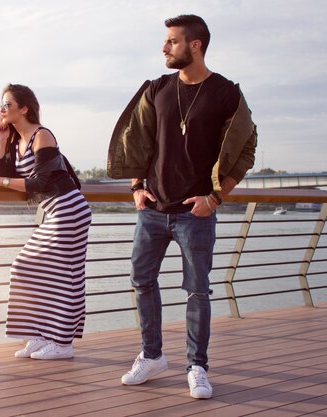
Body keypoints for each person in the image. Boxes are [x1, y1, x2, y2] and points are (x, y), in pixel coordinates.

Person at [106, 15, 257, 399]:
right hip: (153, 210)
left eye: (172, 41)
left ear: (195, 45)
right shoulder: (157, 89)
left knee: (197, 292)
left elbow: (247, 147)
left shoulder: (226, 93)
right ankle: (152, 356)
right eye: (165, 41)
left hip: (196, 214)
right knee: (141, 281)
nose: (164, 48)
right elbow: (134, 140)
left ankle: (197, 367)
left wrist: (216, 197)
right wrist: (137, 186)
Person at [0, 83, 92, 360]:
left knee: (62, 275)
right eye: (1, 105)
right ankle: (42, 335)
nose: (2, 109)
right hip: (56, 212)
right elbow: (6, 175)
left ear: (24, 108)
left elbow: (39, 181)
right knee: (31, 269)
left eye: (7, 105)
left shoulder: (43, 136)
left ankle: (62, 343)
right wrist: (2, 140)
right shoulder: (18, 142)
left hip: (68, 209)